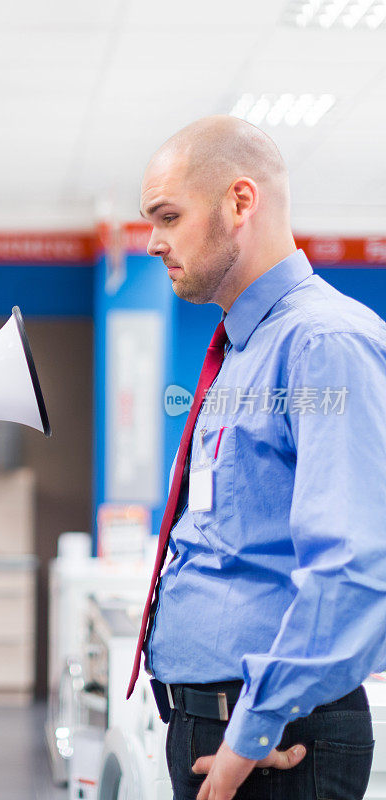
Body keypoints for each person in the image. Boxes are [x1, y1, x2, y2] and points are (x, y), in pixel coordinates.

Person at [130, 115, 385, 800]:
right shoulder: (247, 351)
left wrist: (251, 733)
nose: (152, 242)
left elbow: (355, 562)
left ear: (240, 202)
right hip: (215, 727)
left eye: (168, 216)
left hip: (277, 745)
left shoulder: (322, 344)